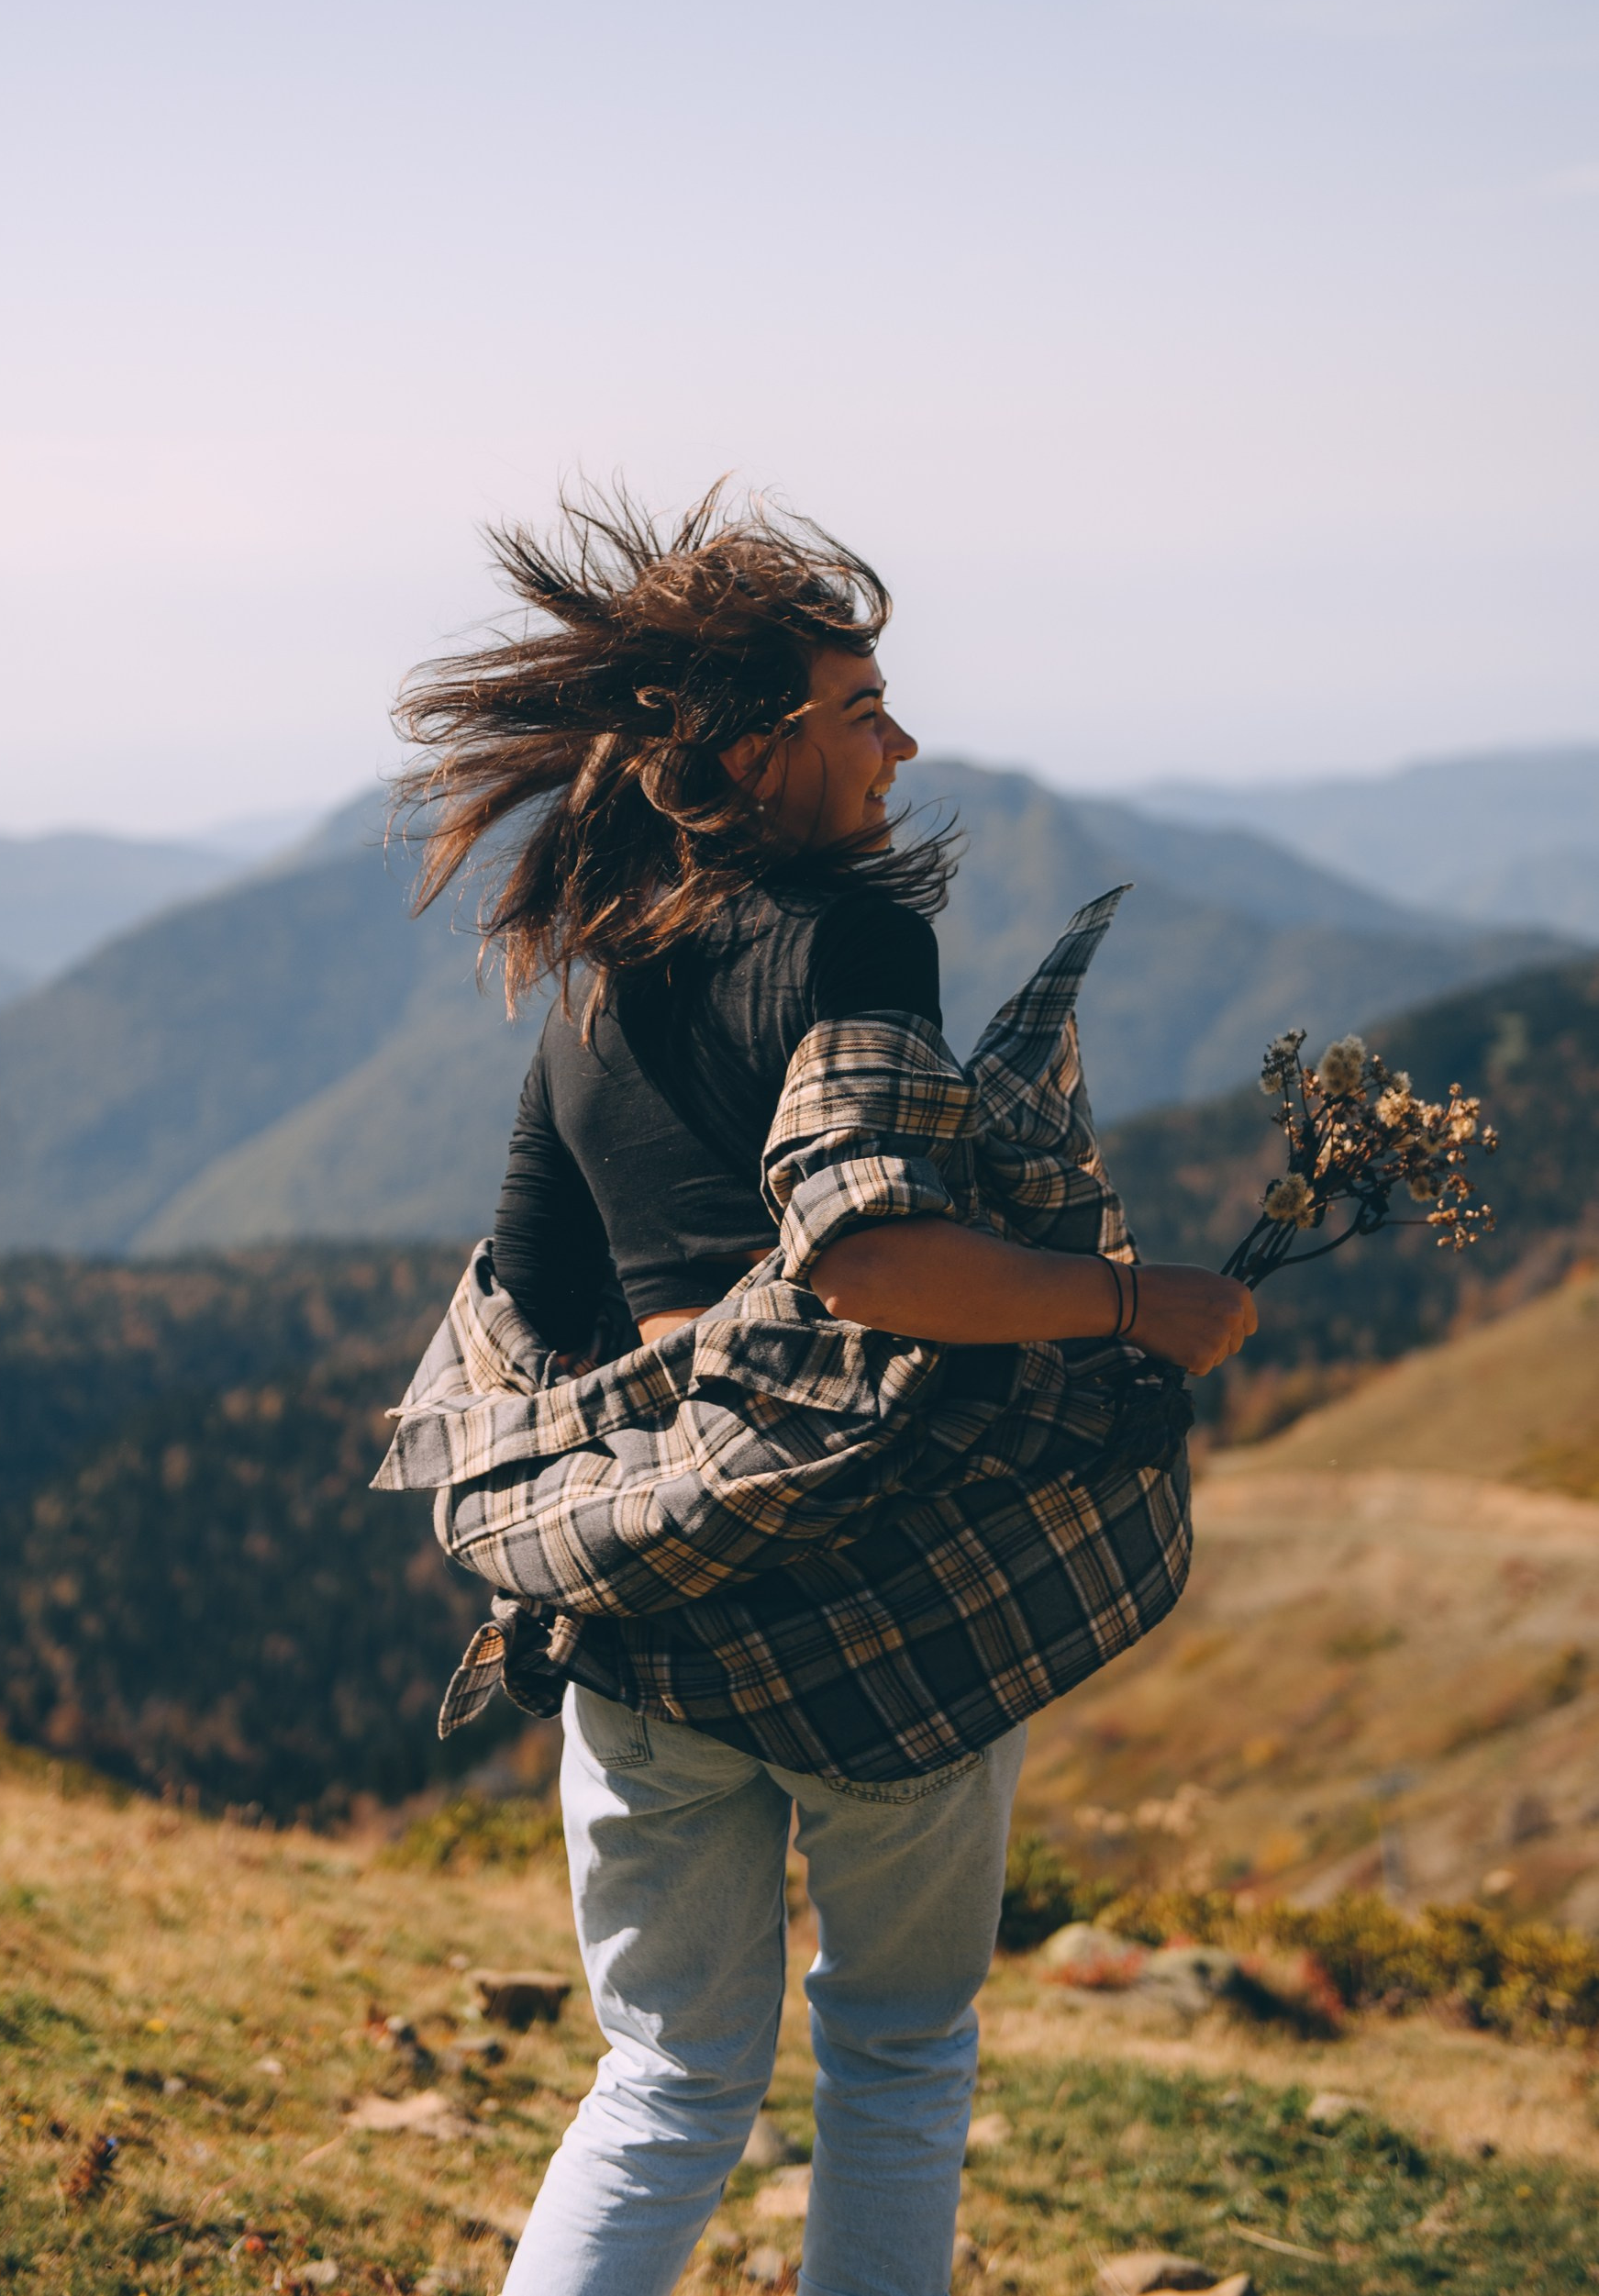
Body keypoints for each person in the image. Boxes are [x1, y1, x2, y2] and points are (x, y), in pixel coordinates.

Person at [393, 490, 1253, 2296]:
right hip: (873, 1618)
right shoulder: (850, 948)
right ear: (755, 750)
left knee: (664, 2074)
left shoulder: (589, 985)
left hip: (648, 1619)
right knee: (894, 2052)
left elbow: (525, 1306)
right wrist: (1126, 1300)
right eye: (860, 706)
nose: (902, 741)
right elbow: (868, 1250)